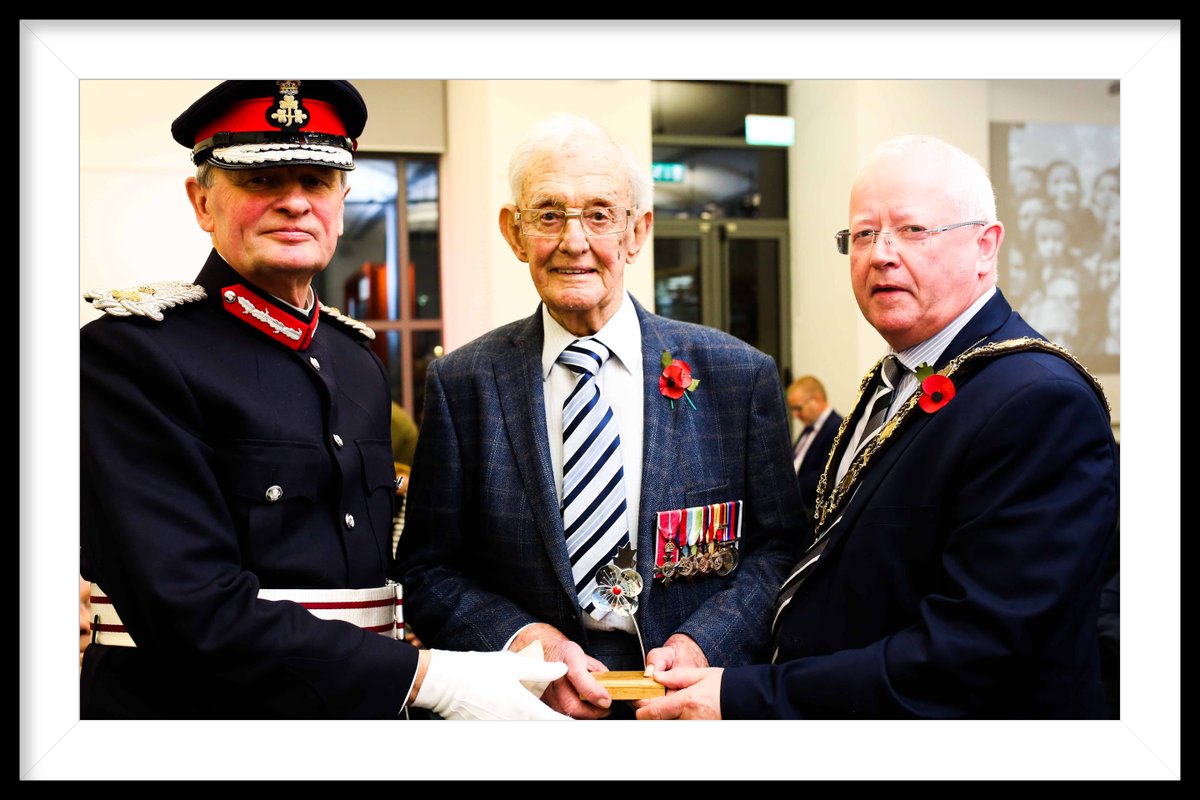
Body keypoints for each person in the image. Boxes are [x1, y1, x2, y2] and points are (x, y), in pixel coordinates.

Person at [79, 80, 569, 720]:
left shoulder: (354, 359)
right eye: (261, 181)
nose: (294, 203)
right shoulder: (130, 355)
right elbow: (191, 606)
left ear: (341, 199)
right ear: (202, 201)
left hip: (362, 711)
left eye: (316, 180)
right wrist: (434, 680)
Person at [637, 134, 1118, 719]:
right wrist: (710, 647)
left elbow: (976, 655)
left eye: (912, 230)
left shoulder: (1037, 399)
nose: (881, 254)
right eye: (863, 234)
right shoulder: (894, 380)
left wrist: (747, 697)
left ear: (985, 246)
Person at [392, 114, 804, 719]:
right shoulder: (464, 384)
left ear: (638, 232)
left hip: (689, 714)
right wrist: (527, 645)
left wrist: (704, 642)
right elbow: (428, 569)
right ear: (514, 232)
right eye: (549, 214)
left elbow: (780, 549)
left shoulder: (735, 378)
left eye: (600, 214)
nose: (574, 241)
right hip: (528, 714)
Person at [785, 375, 842, 517]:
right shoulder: (809, 428)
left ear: (816, 400)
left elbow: (824, 477)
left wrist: (786, 489)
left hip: (812, 511)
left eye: (798, 408)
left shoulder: (836, 427)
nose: (795, 415)